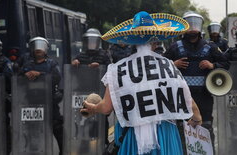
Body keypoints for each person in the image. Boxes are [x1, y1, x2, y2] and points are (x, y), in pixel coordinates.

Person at [81, 11, 202, 155]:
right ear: (155, 41)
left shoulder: (118, 69)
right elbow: (186, 97)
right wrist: (196, 117)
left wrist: (93, 108)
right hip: (166, 134)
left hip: (133, 135)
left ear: (131, 40)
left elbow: (106, 108)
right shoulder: (168, 65)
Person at [163, 11, 230, 153]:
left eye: (195, 23)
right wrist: (173, 64)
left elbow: (226, 64)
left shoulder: (210, 47)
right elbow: (161, 65)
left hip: (204, 96)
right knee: (182, 129)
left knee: (205, 127)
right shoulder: (175, 47)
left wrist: (213, 66)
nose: (193, 28)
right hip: (180, 98)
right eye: (189, 24)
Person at [18, 36, 63, 155]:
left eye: (41, 47)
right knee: (32, 129)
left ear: (45, 49)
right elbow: (16, 78)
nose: (38, 49)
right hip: (31, 102)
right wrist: (24, 74)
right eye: (36, 47)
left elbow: (57, 77)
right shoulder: (27, 65)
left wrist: (40, 74)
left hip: (49, 101)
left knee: (57, 127)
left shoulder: (51, 64)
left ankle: (63, 151)